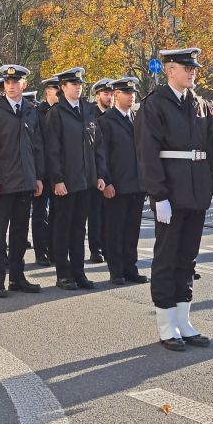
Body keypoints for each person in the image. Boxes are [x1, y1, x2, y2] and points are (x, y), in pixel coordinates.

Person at [135, 47, 213, 351]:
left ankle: (184, 321)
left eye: (194, 67)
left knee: (188, 258)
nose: (192, 71)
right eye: (186, 66)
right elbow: (148, 153)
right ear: (169, 69)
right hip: (171, 193)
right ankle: (166, 325)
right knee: (166, 258)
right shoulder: (155, 104)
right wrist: (158, 195)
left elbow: (209, 151)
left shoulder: (199, 104)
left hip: (196, 192)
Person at [0, 64, 45, 297]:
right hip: (3, 183)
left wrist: (38, 177)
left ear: (24, 84)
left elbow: (36, 147)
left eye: (16, 82)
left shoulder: (30, 110)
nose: (11, 86)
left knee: (19, 234)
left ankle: (17, 277)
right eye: (8, 83)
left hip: (25, 181)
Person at [45, 68, 106, 290]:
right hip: (66, 181)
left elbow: (97, 146)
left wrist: (100, 175)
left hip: (86, 180)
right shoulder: (56, 113)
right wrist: (57, 180)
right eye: (73, 84)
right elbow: (52, 150)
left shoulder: (88, 111)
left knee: (79, 228)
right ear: (63, 87)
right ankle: (63, 274)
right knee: (63, 228)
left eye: (80, 84)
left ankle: (79, 272)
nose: (78, 87)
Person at [99, 77, 147, 285]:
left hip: (136, 184)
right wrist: (107, 181)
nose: (131, 96)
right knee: (115, 230)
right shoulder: (106, 120)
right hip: (117, 185)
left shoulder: (136, 118)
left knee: (132, 230)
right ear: (116, 95)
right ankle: (116, 270)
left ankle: (131, 268)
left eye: (133, 93)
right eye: (126, 93)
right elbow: (102, 154)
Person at [34, 76, 60, 266]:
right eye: (56, 91)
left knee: (58, 214)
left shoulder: (63, 112)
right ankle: (40, 251)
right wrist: (38, 175)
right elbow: (37, 145)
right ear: (48, 92)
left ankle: (55, 249)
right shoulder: (38, 113)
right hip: (43, 171)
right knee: (40, 213)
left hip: (59, 171)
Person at [87, 78, 114, 263]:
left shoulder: (114, 115)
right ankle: (95, 248)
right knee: (96, 214)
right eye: (105, 94)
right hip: (98, 172)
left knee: (110, 215)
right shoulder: (91, 114)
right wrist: (100, 175)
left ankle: (108, 246)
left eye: (111, 94)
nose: (109, 97)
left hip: (114, 171)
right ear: (97, 96)